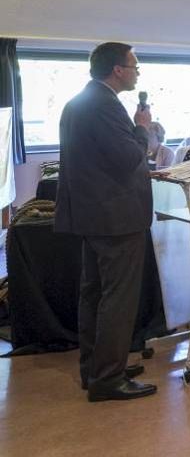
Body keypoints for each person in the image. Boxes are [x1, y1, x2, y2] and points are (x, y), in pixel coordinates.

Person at [54, 42, 158, 402]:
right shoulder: (105, 106)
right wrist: (142, 129)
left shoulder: (79, 103)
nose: (137, 72)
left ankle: (96, 368)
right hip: (116, 218)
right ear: (117, 70)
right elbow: (128, 157)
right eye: (134, 66)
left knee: (95, 294)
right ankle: (108, 379)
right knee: (117, 298)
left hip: (92, 216)